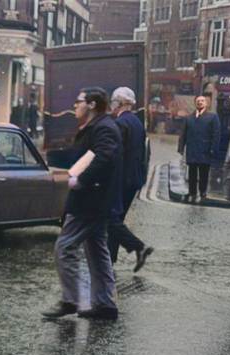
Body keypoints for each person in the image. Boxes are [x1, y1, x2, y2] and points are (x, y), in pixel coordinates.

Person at [42, 87, 122, 321]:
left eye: (79, 101)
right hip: (96, 201)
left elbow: (104, 158)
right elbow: (84, 155)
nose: (75, 106)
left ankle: (71, 300)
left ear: (92, 105)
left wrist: (81, 180)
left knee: (64, 248)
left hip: (90, 201)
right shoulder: (96, 126)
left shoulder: (104, 128)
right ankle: (105, 304)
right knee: (97, 251)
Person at [108, 87, 154, 272]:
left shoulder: (120, 123)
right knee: (116, 219)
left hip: (120, 180)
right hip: (133, 179)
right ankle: (110, 259)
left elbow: (114, 155)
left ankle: (138, 247)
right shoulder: (136, 122)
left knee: (110, 218)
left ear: (120, 103)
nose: (111, 106)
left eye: (113, 102)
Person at [178, 94, 221, 203]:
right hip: (192, 149)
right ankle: (192, 192)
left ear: (206, 103)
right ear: (195, 103)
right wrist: (181, 148)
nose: (200, 102)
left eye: (202, 101)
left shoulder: (212, 117)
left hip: (205, 150)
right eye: (198, 101)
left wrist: (213, 148)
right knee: (192, 173)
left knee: (204, 173)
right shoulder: (189, 118)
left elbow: (216, 134)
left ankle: (202, 192)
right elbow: (183, 134)